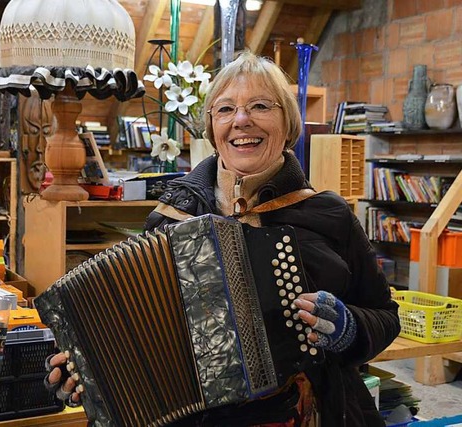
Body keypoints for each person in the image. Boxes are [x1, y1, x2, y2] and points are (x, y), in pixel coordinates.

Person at [44, 51, 400, 427]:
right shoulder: (171, 216)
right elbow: (123, 331)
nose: (241, 120)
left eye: (260, 106)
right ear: (212, 127)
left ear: (288, 123)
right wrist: (84, 368)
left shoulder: (329, 214)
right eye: (226, 109)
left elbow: (384, 316)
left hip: (306, 412)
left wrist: (349, 330)